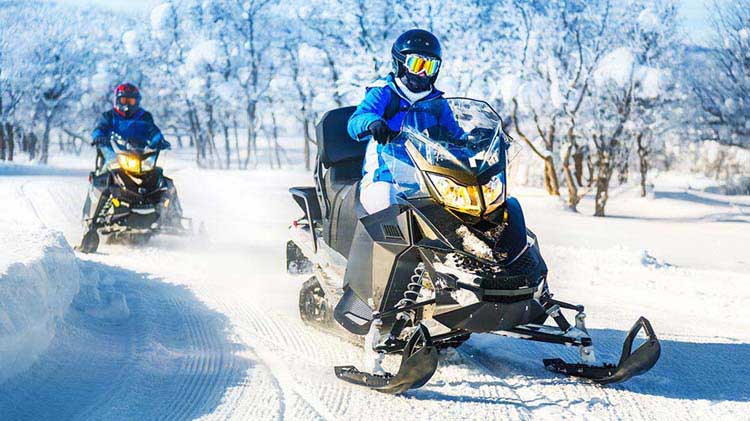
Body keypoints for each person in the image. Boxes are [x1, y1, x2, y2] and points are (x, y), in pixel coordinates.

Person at [347, 29, 463, 214]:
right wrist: (373, 122)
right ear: (400, 63)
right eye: (417, 64)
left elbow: (456, 135)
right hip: (385, 178)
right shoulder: (384, 92)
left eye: (430, 67)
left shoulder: (437, 103)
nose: (424, 73)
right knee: (387, 204)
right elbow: (356, 120)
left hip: (429, 181)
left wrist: (478, 140)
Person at [79, 83, 173, 251]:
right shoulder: (109, 116)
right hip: (113, 158)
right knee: (103, 182)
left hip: (140, 159)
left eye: (131, 100)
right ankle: (91, 224)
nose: (127, 104)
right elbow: (99, 130)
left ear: (137, 101)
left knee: (163, 180)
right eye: (124, 100)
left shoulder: (144, 117)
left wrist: (159, 140)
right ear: (117, 100)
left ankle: (174, 218)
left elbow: (154, 132)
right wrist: (99, 138)